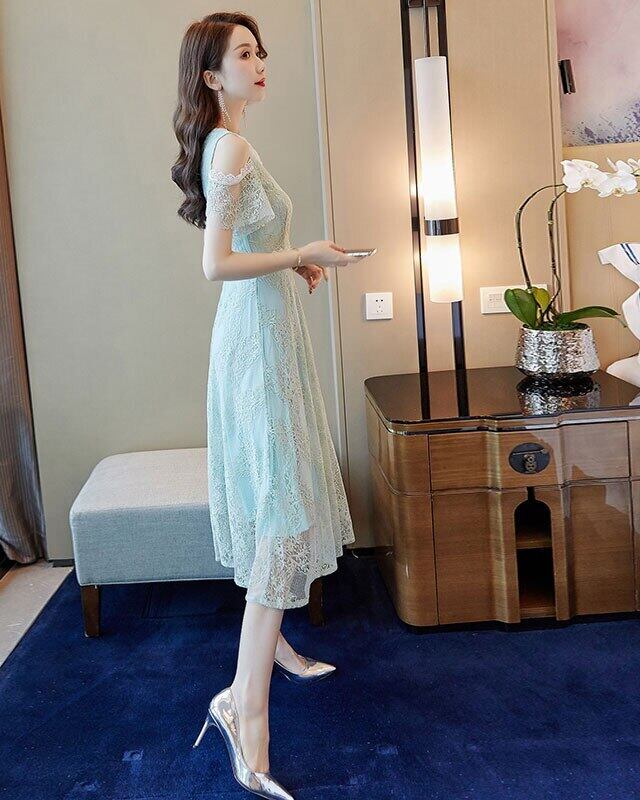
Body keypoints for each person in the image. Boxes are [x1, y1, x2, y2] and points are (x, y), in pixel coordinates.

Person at [171, 12, 370, 799]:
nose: (260, 63)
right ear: (211, 75)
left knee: (275, 500)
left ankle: (275, 648)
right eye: (244, 54)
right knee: (282, 512)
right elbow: (215, 264)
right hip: (254, 345)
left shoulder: (232, 143)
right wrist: (303, 253)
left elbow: (250, 248)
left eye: (261, 52)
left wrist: (294, 266)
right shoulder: (231, 147)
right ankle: (242, 707)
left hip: (266, 330)